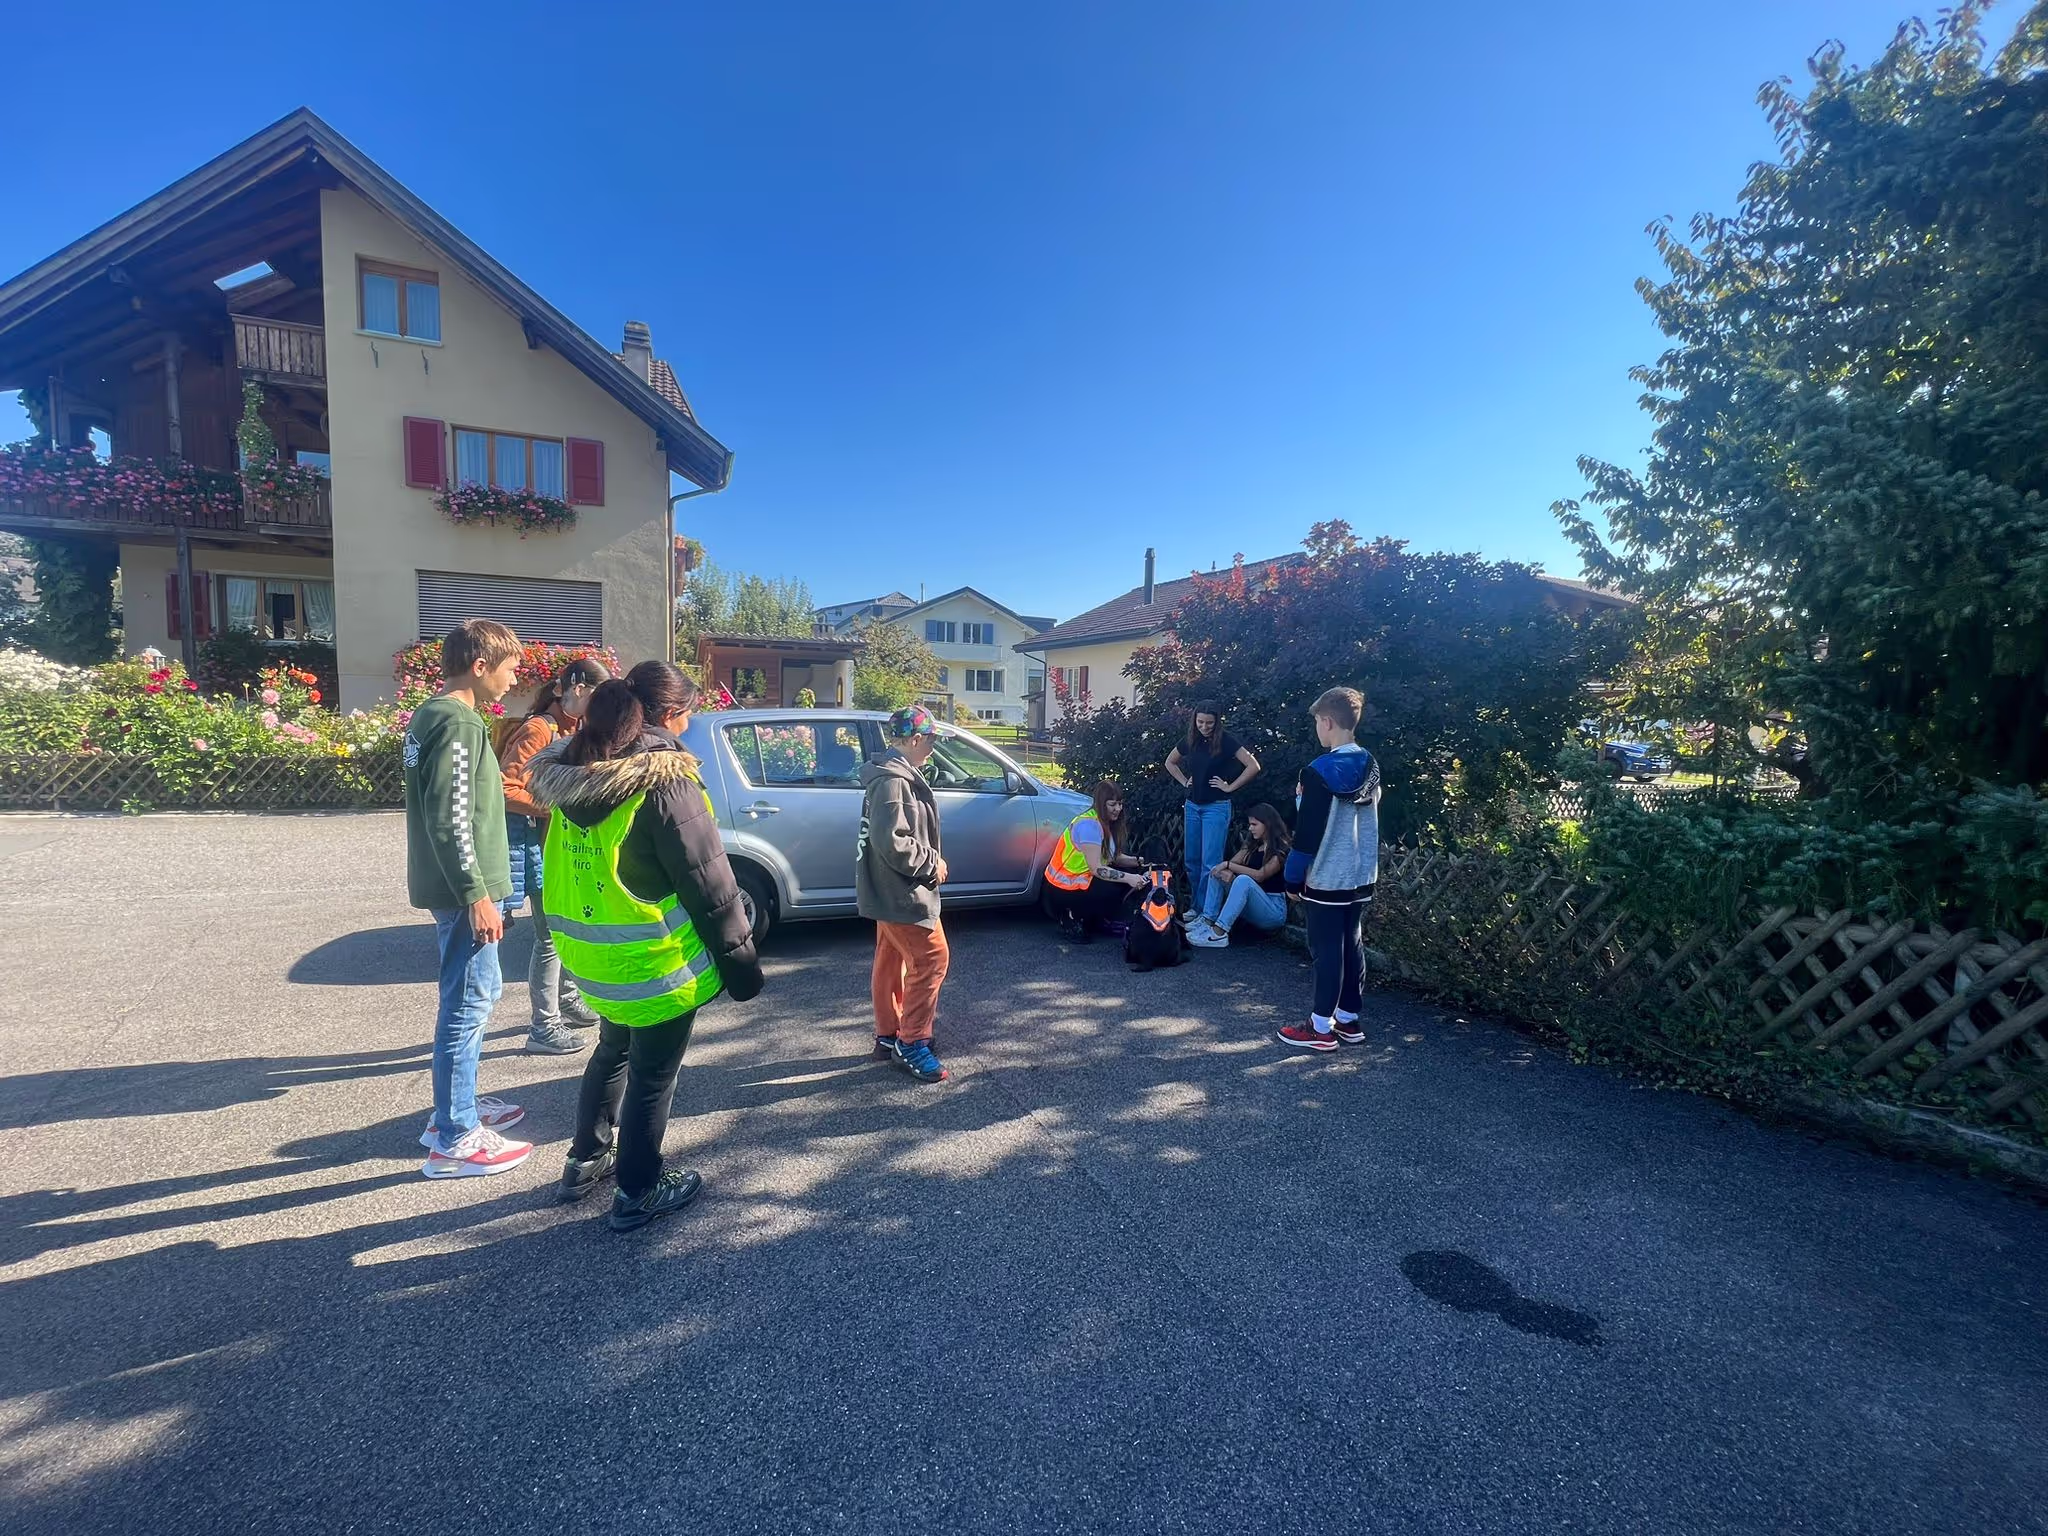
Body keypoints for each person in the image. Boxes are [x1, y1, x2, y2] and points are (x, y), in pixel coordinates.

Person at [528, 664, 763, 1230]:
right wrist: (743, 969)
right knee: (653, 1076)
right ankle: (638, 1189)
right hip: (656, 965)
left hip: (593, 957)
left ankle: (585, 1160)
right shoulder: (667, 783)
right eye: (688, 715)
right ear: (668, 715)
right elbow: (710, 886)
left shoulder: (576, 771)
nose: (689, 726)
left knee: (612, 1050)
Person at [405, 618, 533, 1179]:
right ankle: (455, 1137)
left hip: (463, 889)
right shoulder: (456, 722)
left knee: (474, 995)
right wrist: (475, 894)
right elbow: (451, 817)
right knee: (467, 1003)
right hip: (466, 892)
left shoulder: (433, 715)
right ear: (480, 666)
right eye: (510, 669)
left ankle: (455, 1109)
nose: (514, 680)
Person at [499, 655, 609, 1056]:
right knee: (548, 939)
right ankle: (543, 1027)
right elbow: (504, 788)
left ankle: (567, 999)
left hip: (561, 851)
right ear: (577, 689)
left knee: (566, 932)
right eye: (596, 697)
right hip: (540, 852)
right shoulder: (538, 729)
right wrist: (558, 807)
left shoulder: (573, 727)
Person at [1277, 687, 1381, 1051]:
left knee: (1326, 949)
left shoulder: (1318, 771)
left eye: (1317, 724)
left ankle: (1320, 1026)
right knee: (1352, 942)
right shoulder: (1371, 765)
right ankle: (1349, 1019)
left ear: (1327, 722)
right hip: (1360, 871)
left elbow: (1308, 832)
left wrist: (1292, 877)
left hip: (1327, 873)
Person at [857, 705, 951, 1083]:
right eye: (930, 740)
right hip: (902, 893)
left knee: (891, 959)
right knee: (932, 959)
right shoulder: (893, 782)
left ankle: (888, 1034)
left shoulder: (892, 774)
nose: (933, 748)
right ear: (914, 739)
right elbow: (893, 842)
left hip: (888, 891)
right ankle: (911, 1043)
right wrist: (932, 864)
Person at [1164, 700, 1260, 918]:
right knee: (1192, 861)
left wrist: (1230, 787)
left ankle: (1209, 913)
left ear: (1217, 722)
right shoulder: (1190, 740)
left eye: (1209, 723)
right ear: (1194, 720)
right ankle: (1196, 907)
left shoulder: (1226, 741)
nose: (1204, 727)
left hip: (1216, 807)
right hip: (1192, 806)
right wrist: (1184, 781)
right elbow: (1170, 762)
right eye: (1200, 722)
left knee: (1211, 864)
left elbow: (1253, 765)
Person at [1042, 779, 1145, 941]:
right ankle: (1070, 918)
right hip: (1061, 889)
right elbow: (1097, 869)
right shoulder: (1088, 826)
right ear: (1101, 804)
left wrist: (1140, 862)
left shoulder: (1105, 822)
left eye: (1120, 804)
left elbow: (1114, 857)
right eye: (1112, 804)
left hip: (1081, 881)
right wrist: (1130, 878)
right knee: (1114, 888)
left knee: (1126, 875)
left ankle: (1094, 918)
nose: (1118, 809)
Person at [1185, 803, 1293, 948]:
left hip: (1273, 911)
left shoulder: (1280, 850)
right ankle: (1207, 921)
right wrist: (1226, 869)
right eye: (1250, 824)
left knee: (1243, 880)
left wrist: (1228, 865)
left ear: (1267, 824)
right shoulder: (1253, 845)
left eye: (1254, 824)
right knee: (1216, 872)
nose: (1250, 828)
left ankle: (1219, 933)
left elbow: (1260, 875)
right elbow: (1233, 862)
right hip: (1252, 906)